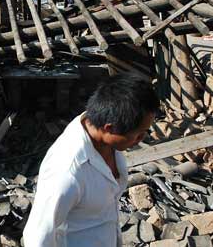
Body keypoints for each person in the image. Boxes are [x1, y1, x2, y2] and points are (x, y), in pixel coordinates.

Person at [23, 73, 160, 247]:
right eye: (138, 135)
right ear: (109, 128)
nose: (142, 139)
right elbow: (37, 237)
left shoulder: (105, 137)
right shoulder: (67, 173)